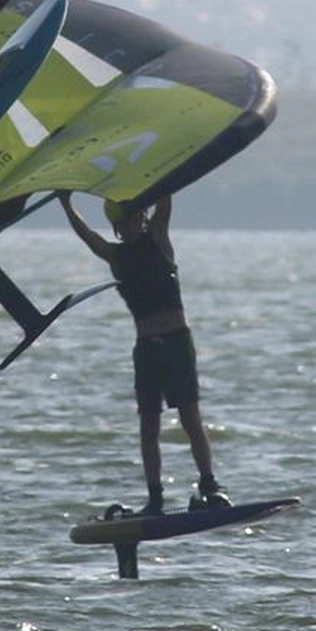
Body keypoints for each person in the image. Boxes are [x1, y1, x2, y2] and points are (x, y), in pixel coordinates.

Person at [57, 190, 230, 516]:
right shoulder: (116, 256)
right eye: (124, 223)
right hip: (147, 349)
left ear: (142, 217)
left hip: (177, 342)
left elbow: (165, 203)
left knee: (191, 418)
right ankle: (155, 499)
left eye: (135, 218)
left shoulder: (159, 239)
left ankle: (210, 485)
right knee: (148, 425)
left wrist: (160, 178)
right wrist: (66, 203)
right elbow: (88, 237)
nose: (131, 225)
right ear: (118, 228)